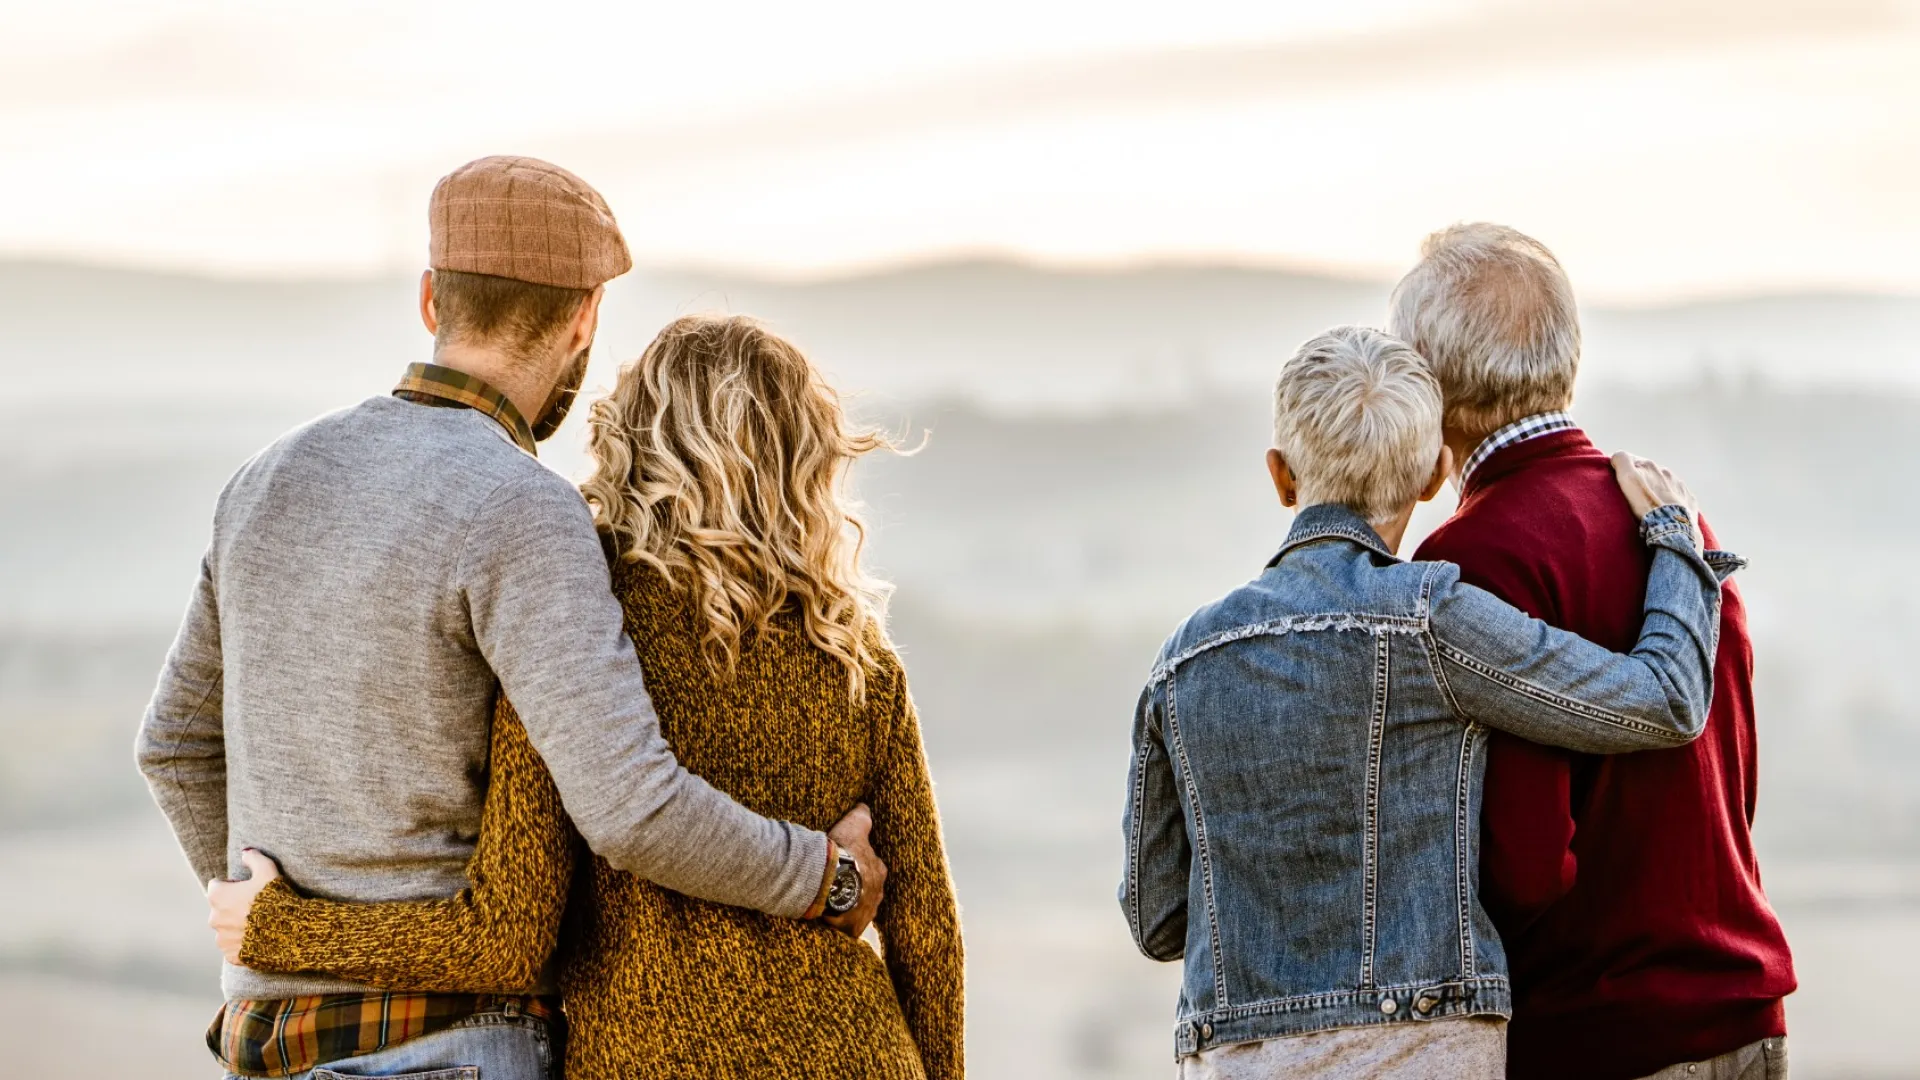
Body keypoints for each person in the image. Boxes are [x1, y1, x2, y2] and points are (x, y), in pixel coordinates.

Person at [137, 157, 885, 1080]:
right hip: (446, 1043)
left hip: (266, 1038)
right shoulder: (522, 507)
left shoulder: (264, 482)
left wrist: (272, 920)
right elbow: (631, 806)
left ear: (429, 301)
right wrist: (823, 877)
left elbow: (172, 744)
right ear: (584, 319)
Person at [205, 315, 965, 1079]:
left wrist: (280, 929)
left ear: (631, 442)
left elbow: (504, 938)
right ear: (805, 462)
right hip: (866, 1054)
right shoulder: (856, 653)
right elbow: (929, 937)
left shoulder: (579, 627)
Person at [1122, 325, 1741, 1078]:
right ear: (1433, 473)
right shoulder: (1436, 621)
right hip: (1427, 1050)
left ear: (1281, 477)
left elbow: (1157, 923)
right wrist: (1674, 537)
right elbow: (1666, 700)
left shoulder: (1183, 662)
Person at [1394, 224, 1794, 1080]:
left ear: (1431, 386)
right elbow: (1733, 772)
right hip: (1746, 1016)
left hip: (1602, 1033)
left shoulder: (1472, 562)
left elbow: (1524, 870)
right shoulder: (1674, 523)